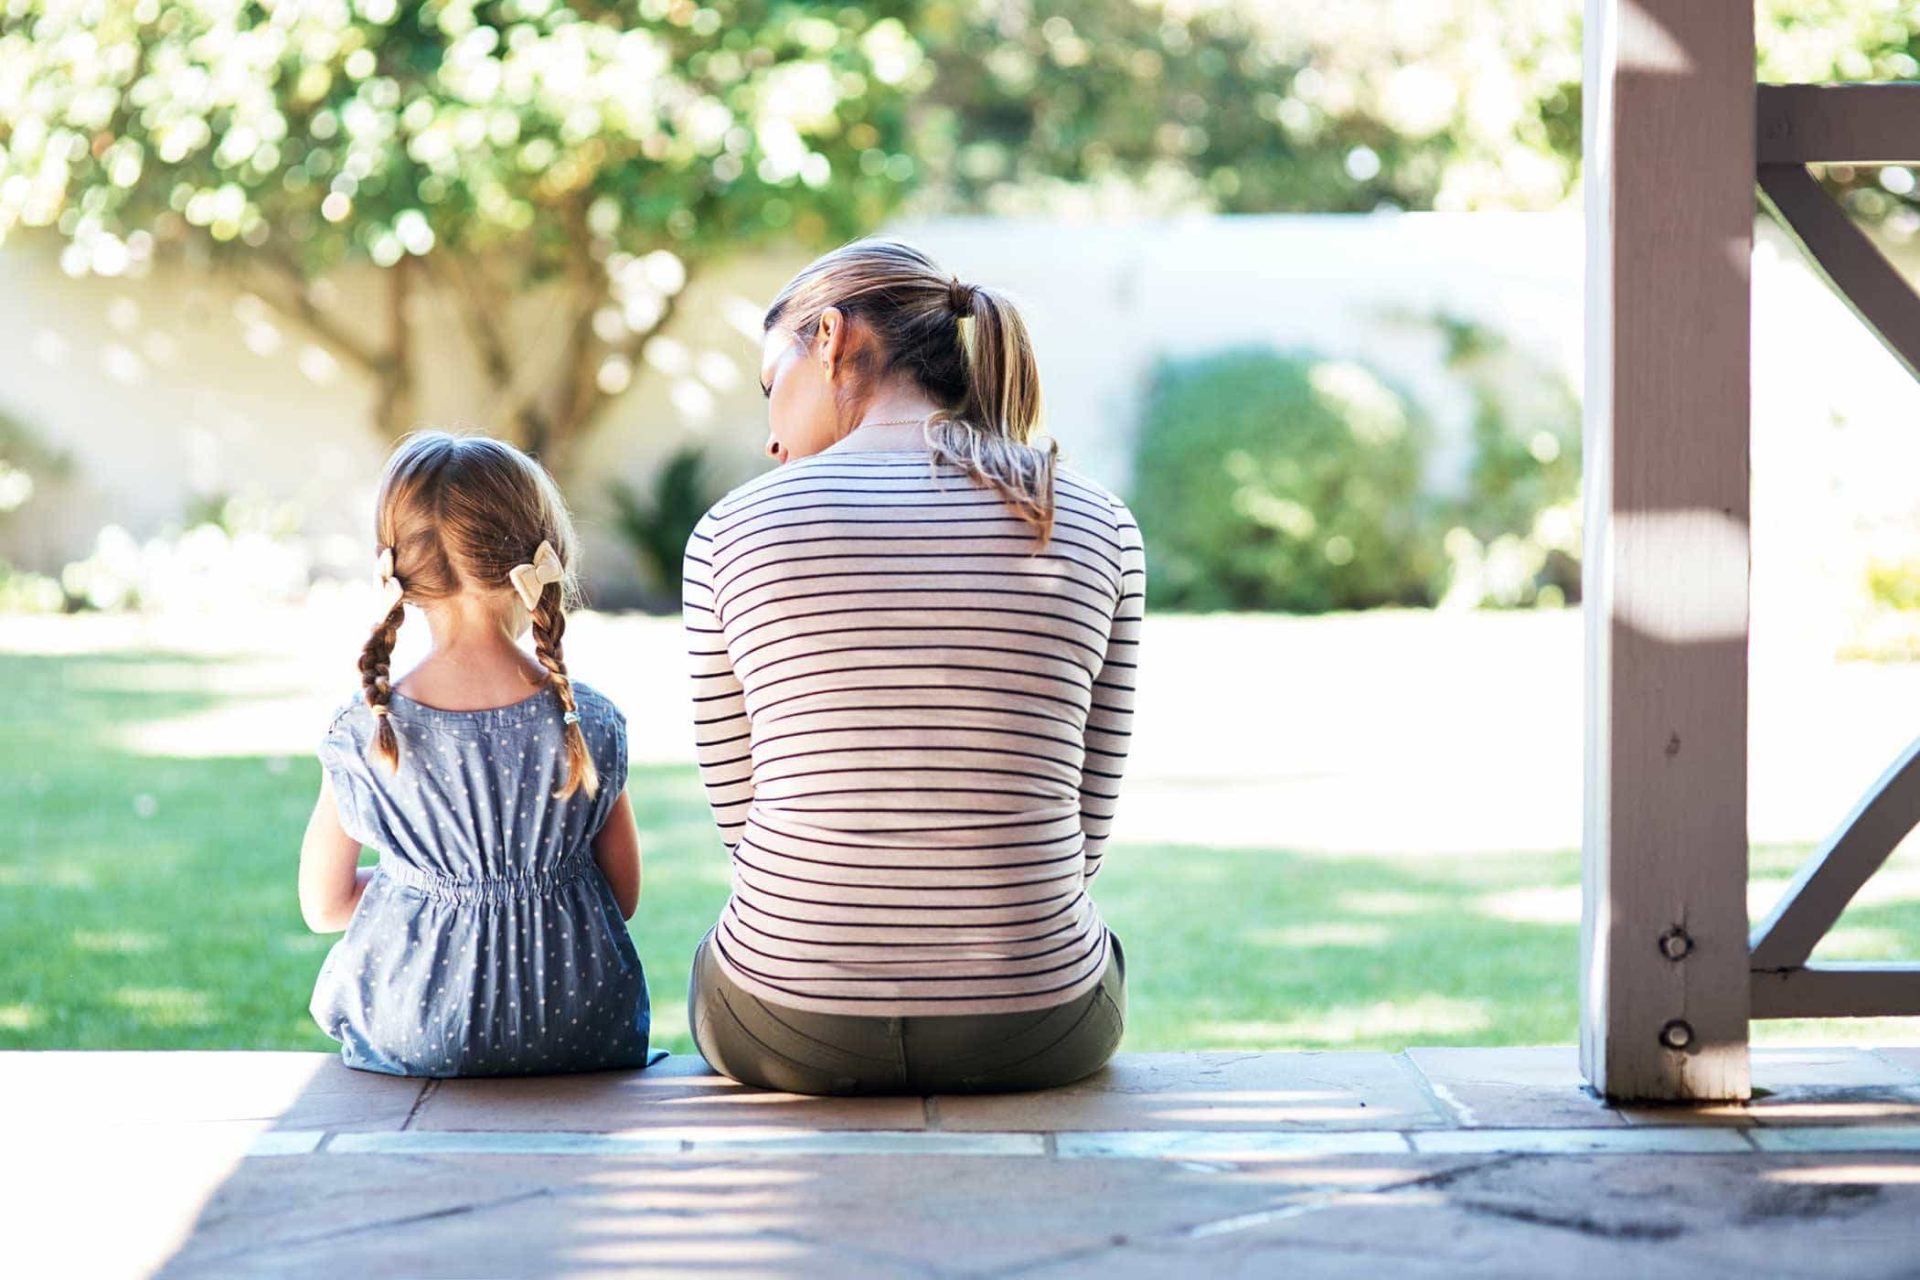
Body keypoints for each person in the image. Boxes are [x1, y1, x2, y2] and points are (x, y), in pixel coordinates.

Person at [681, 236, 1145, 1095]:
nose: (771, 435)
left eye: (768, 384)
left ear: (829, 338)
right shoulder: (1094, 520)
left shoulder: (731, 530)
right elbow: (1086, 825)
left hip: (788, 1024)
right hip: (1037, 1023)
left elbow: (743, 825)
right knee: (1096, 947)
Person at [301, 430, 666, 1077]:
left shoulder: (368, 729)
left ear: (401, 572)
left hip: (414, 1030)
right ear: (539, 556)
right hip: (578, 1028)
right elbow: (623, 894)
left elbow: (324, 905)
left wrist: (426, 886)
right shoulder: (590, 720)